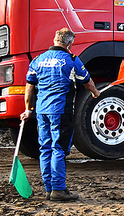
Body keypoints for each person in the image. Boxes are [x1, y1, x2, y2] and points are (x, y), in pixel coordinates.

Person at [21, 28, 101, 201]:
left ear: (54, 39)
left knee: (45, 148)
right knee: (58, 149)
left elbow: (29, 87)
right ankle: (58, 189)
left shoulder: (38, 60)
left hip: (42, 112)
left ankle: (49, 189)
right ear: (70, 44)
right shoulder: (72, 60)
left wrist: (28, 109)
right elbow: (87, 82)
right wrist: (95, 92)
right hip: (61, 111)